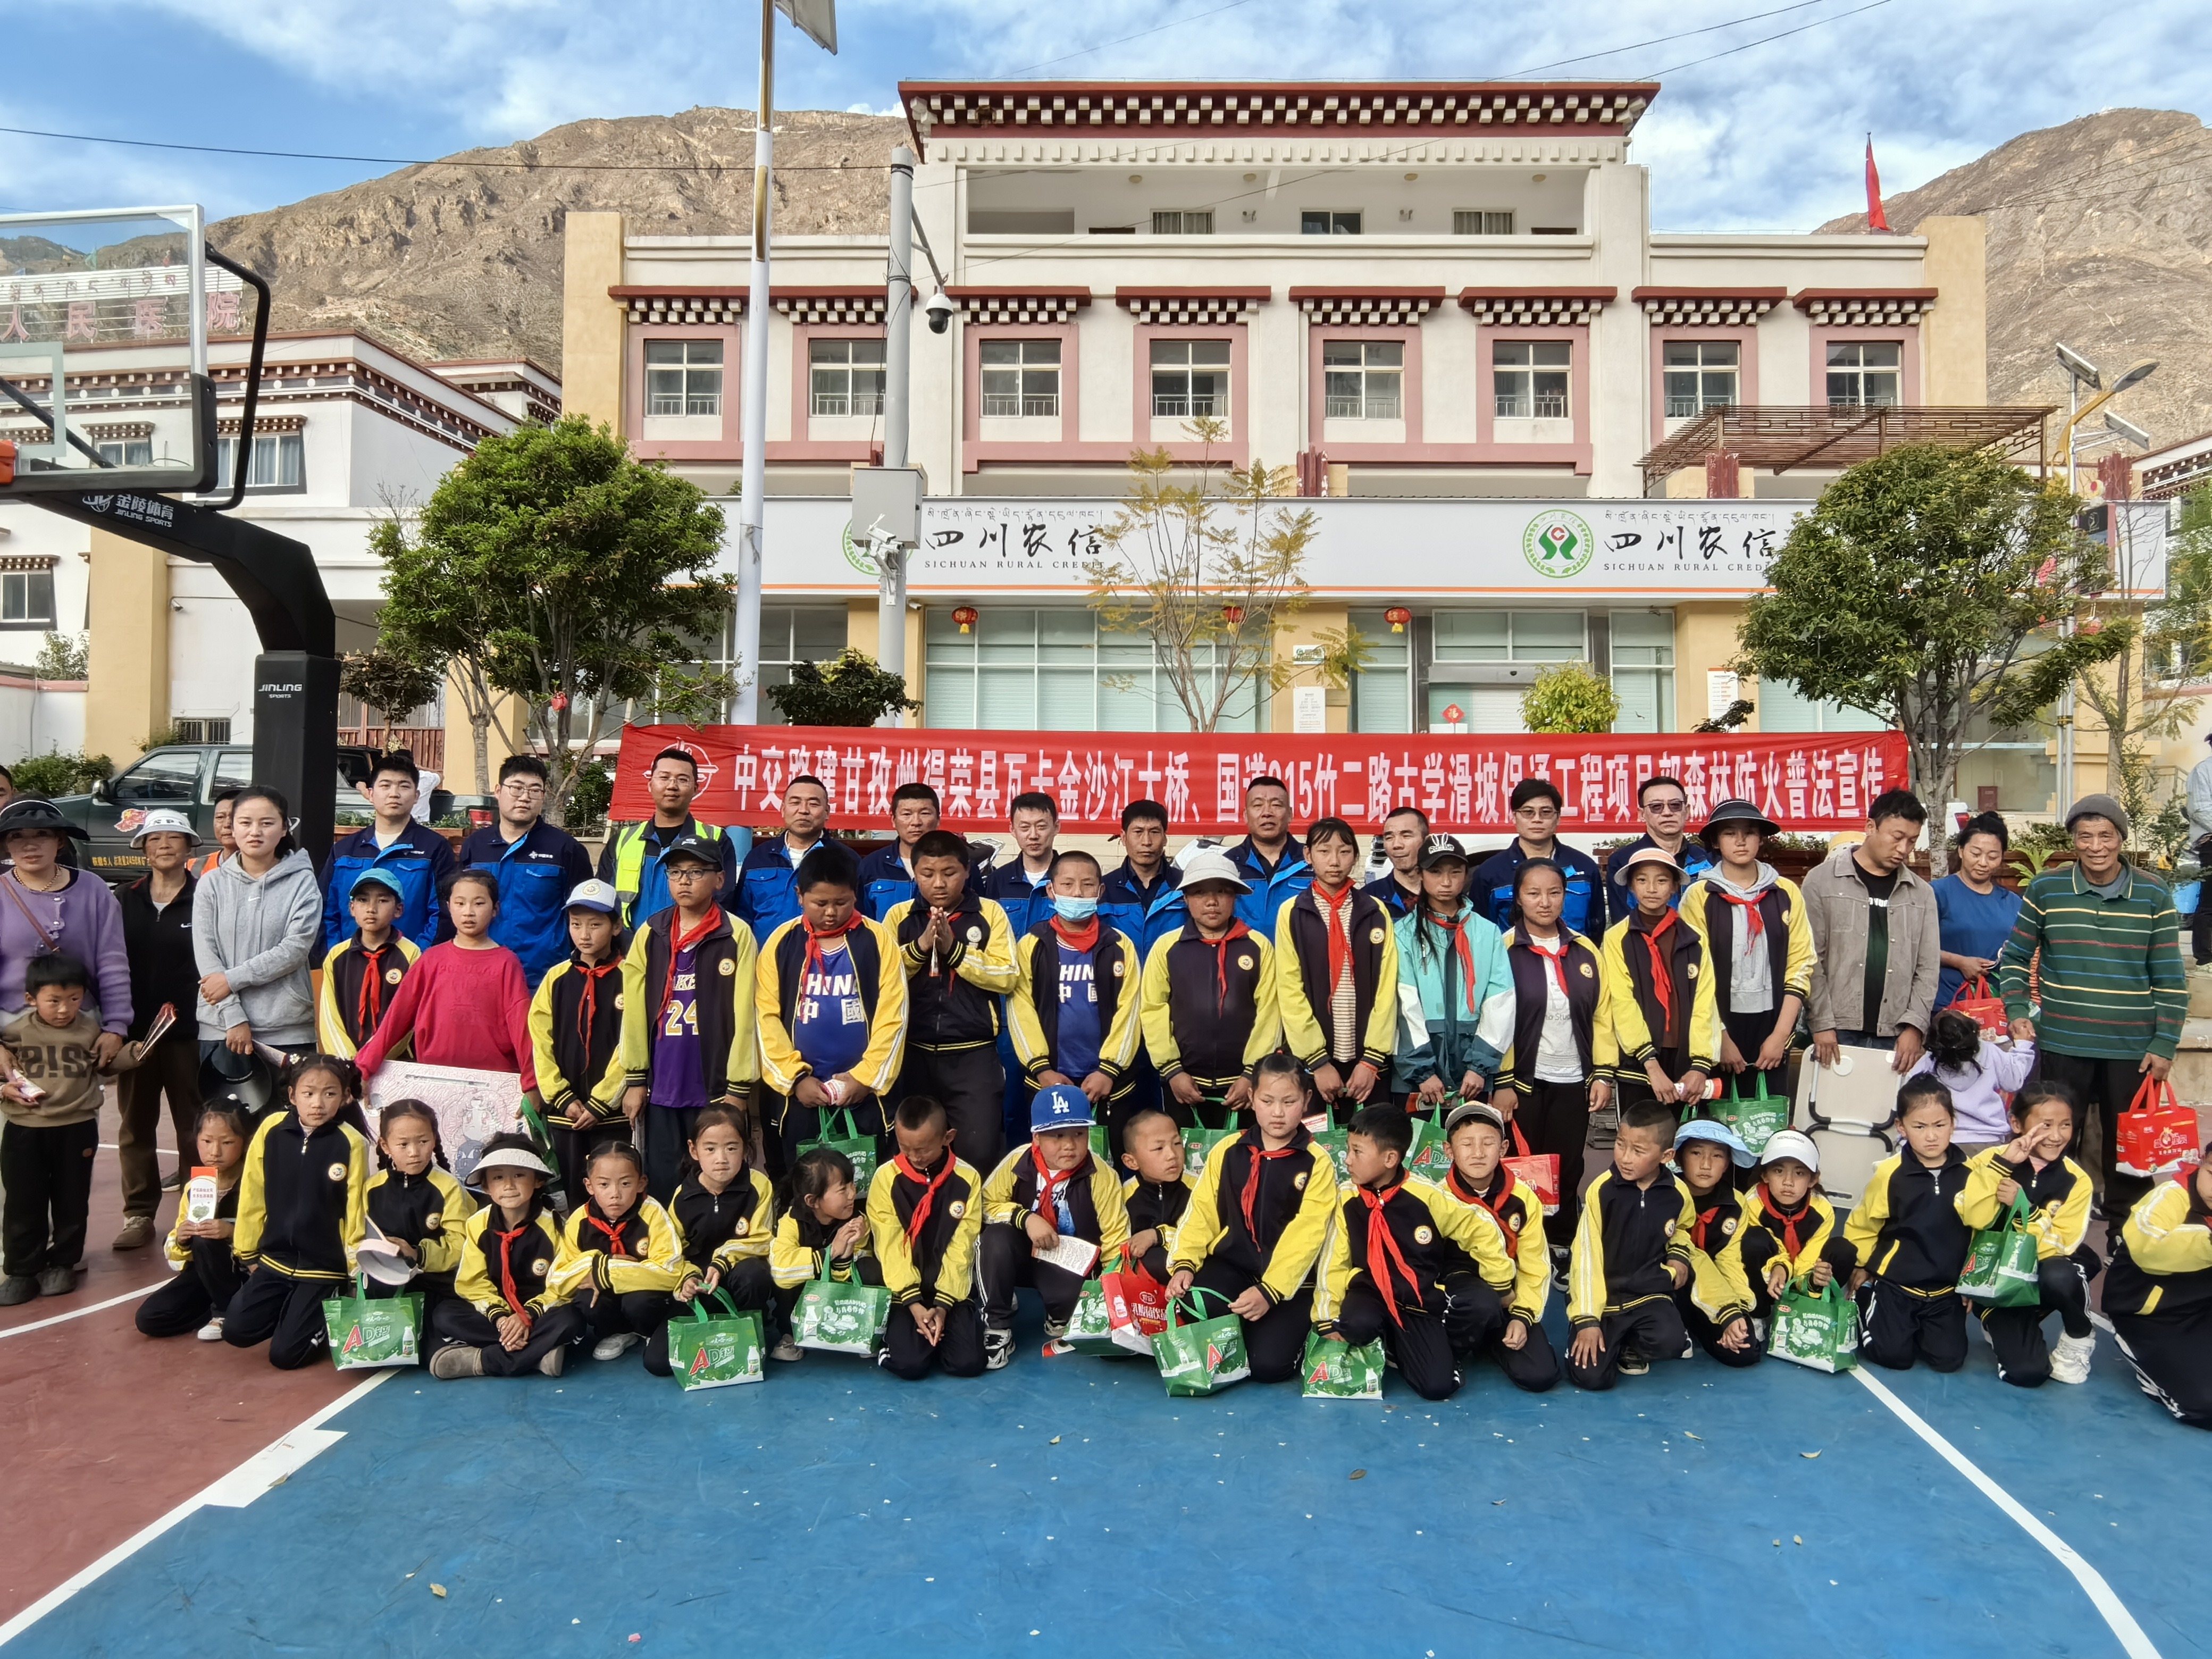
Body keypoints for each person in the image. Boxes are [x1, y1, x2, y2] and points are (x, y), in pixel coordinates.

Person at [1997, 792, 2187, 1217]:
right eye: (2085, 836)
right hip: (2063, 1042)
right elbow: (2014, 958)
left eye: (2106, 836)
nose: (2096, 846)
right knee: (2051, 1140)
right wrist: (2018, 1011)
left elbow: (2170, 977)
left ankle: (2125, 1233)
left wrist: (2165, 1043)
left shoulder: (2153, 893)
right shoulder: (2047, 888)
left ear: (2121, 838)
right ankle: (2045, 1222)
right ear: (2074, 840)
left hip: (2132, 1049)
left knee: (2129, 1149)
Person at [1309, 1102, 1513, 1402]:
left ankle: (1415, 1347)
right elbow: (1333, 1262)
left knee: (1437, 1387)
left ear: (1390, 1158)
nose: (1347, 1159)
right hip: (1370, 1292)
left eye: (1357, 1151)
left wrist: (1501, 1281)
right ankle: (1391, 1337)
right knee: (1356, 1325)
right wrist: (1326, 1315)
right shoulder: (1347, 1198)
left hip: (1416, 1300)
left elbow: (1479, 1226)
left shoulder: (1425, 1194)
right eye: (1348, 1150)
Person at [1164, 1053, 1339, 1385]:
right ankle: (1246, 1324)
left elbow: (1307, 1235)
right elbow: (1201, 1212)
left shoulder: (1317, 1162)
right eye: (1267, 1101)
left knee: (1269, 1368)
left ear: (1306, 1101)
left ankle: (1281, 1332)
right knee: (1192, 1297)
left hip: (1290, 1284)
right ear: (1252, 1098)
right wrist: (1184, 1262)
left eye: (1289, 1101)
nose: (1278, 1112)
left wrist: (1270, 1291)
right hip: (1235, 1267)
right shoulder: (1228, 1150)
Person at [615, 837, 759, 1198]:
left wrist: (738, 1088)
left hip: (714, 1087)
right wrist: (635, 1079)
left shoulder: (736, 934)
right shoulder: (651, 932)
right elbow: (634, 1012)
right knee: (664, 1180)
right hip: (663, 1084)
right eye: (675, 872)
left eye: (696, 872)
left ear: (719, 879)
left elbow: (746, 1015)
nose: (684, 881)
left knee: (718, 1181)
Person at [0, 953, 147, 1302]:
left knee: (72, 1200)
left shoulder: (90, 1031)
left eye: (74, 999)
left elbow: (104, 1067)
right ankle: (22, 1271)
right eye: (54, 1001)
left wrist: (134, 1054)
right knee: (23, 1202)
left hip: (77, 1127)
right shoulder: (14, 1033)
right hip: (25, 1128)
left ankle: (63, 1264)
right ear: (31, 999)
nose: (64, 1009)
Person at [756, 844, 906, 1177]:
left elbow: (894, 1018)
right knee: (804, 1184)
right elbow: (765, 1019)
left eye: (841, 903)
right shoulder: (781, 942)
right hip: (801, 1095)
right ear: (800, 896)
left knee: (863, 1183)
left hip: (865, 1095)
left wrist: (864, 1078)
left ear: (855, 895)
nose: (831, 913)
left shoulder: (878, 940)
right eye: (820, 903)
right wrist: (796, 1079)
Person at [1496, 857, 1613, 1261]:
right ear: (1518, 897)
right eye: (1534, 893)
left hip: (1573, 1078)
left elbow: (1602, 1016)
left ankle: (1561, 1244)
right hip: (1523, 1080)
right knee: (1522, 1165)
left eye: (1554, 893)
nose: (1544, 902)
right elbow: (1497, 1018)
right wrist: (1503, 1081)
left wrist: (1602, 1075)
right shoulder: (1504, 949)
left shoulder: (1585, 949)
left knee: (1567, 1166)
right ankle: (1518, 1245)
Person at [222, 1054, 372, 1369]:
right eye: (309, 1093)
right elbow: (253, 1194)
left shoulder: (352, 1142)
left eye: (330, 1094)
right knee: (236, 1330)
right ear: (292, 1095)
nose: (318, 1103)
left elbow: (355, 1209)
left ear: (345, 1096)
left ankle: (316, 1313)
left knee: (286, 1356)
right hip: (275, 1261)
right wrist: (247, 1252)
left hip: (323, 1269)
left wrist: (353, 1271)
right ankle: (293, 1314)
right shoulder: (271, 1129)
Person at [883, 829, 1018, 1173]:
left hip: (973, 1055)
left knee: (979, 1152)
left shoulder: (990, 913)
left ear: (967, 871)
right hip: (913, 1053)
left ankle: (974, 1209)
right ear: (915, 873)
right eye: (928, 874)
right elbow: (883, 977)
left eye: (950, 873)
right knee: (916, 1155)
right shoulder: (900, 916)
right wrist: (921, 947)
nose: (939, 883)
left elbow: (1006, 975)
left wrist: (954, 951)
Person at [978, 1083, 1131, 1368]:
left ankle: (1059, 1310)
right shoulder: (1018, 1161)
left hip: (1069, 1260)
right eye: (1057, 1136)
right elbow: (985, 1205)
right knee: (995, 1239)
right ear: (1036, 1138)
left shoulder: (1102, 1175)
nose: (1069, 1145)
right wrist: (1026, 1218)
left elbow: (1116, 1238)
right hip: (1021, 1252)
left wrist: (1108, 1296)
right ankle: (998, 1325)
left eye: (1079, 1134)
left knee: (1071, 1307)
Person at [1959, 1082, 2099, 1387]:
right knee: (2028, 1374)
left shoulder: (2077, 1181)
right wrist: (2003, 1166)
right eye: (2045, 1125)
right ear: (2016, 1124)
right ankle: (2003, 1323)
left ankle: (2079, 1336)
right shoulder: (1987, 1162)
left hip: (2040, 1270)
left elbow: (2062, 1245)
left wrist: (2026, 1211)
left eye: (2065, 1125)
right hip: (1994, 1280)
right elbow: (1973, 1218)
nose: (2057, 1136)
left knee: (2066, 1272)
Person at [1009, 848, 1143, 1154]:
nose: (1078, 893)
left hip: (1110, 1084)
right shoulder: (1032, 945)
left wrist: (1109, 1070)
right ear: (1051, 891)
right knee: (1053, 1157)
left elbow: (1131, 1012)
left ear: (1100, 891)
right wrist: (1042, 1069)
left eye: (1087, 885)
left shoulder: (1120, 945)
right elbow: (1021, 1011)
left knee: (1109, 1161)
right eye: (1068, 885)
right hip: (1050, 1079)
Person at [114, 808, 205, 1251]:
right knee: (135, 1126)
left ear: (189, 847)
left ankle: (200, 1213)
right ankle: (138, 1214)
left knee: (196, 1128)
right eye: (154, 839)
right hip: (135, 1034)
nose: (164, 845)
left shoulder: (206, 896)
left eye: (173, 837)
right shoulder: (123, 898)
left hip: (190, 1033)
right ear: (143, 850)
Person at [355, 870, 536, 1092]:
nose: (468, 912)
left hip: (494, 1082)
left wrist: (531, 1083)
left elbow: (521, 1027)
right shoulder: (431, 959)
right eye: (460, 903)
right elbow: (397, 1017)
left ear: (495, 909)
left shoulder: (507, 963)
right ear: (449, 907)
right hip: (434, 1077)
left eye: (479, 903)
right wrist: (365, 1066)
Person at [1680, 799, 1814, 1097]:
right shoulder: (1700, 896)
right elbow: (1695, 974)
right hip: (1718, 1022)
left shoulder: (1786, 892)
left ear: (1761, 838)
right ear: (1716, 841)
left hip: (1773, 1020)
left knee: (1767, 1115)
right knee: (1717, 1115)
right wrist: (1720, 1038)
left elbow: (1801, 964)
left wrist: (1780, 1036)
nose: (1740, 841)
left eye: (1749, 832)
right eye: (1730, 833)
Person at [1139, 848, 1279, 1129]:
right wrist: (1172, 1070)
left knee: (1243, 1153)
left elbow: (1270, 1013)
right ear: (1186, 898)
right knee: (1186, 1154)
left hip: (1244, 1085)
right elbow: (1153, 1010)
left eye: (1223, 892)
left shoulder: (1258, 946)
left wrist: (1252, 1073)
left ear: (1235, 897)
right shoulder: (1167, 947)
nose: (1212, 902)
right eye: (1200, 893)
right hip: (1183, 1083)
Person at [1802, 787, 1939, 1075]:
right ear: (1870, 827)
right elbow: (1811, 960)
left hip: (1897, 1034)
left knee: (1888, 1106)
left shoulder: (1921, 893)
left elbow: (1927, 967)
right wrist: (1822, 1023)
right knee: (1833, 1104)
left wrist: (1915, 1027)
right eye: (1897, 837)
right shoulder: (1822, 882)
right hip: (1836, 1031)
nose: (1903, 849)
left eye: (1912, 841)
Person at [1841, 1076, 1972, 1374]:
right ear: (1901, 1127)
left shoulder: (1971, 1173)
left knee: (1948, 1361)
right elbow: (1864, 1224)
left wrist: (1971, 1281)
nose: (1931, 1136)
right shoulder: (1889, 1174)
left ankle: (1922, 1328)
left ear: (1953, 1123)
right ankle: (1867, 1300)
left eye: (1940, 1125)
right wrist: (1862, 1265)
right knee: (1893, 1357)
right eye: (1920, 1127)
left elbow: (1980, 1229)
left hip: (1945, 1291)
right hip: (1897, 1286)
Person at [1564, 1097, 1697, 1389]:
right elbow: (1585, 1256)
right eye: (1620, 1144)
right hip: (1605, 1301)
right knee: (1592, 1378)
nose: (1625, 1158)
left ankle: (1631, 1344)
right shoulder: (1601, 1191)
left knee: (1672, 1343)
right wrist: (1587, 1319)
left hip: (1650, 1294)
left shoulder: (1677, 1192)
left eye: (1638, 1151)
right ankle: (1594, 1334)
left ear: (1667, 1156)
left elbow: (1683, 1227)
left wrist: (1678, 1255)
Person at [648, 1103, 789, 1374]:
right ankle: (715, 1328)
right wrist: (687, 1280)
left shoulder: (758, 1186)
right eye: (710, 1149)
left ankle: (753, 1327)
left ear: (746, 1149)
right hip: (701, 1287)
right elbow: (672, 1253)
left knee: (753, 1274)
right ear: (694, 1150)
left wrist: (723, 1260)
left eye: (731, 1148)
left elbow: (764, 1240)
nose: (721, 1158)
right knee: (658, 1363)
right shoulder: (682, 1197)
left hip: (739, 1280)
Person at [1432, 1099, 1563, 1391]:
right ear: (1449, 1150)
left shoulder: (1524, 1198)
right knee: (1481, 1304)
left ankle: (1490, 1337)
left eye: (1488, 1143)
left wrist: (1522, 1316)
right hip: (1460, 1296)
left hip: (1509, 1297)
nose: (1478, 1153)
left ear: (1503, 1149)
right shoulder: (1437, 1198)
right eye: (1467, 1144)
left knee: (1540, 1375)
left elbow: (1535, 1264)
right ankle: (1455, 1344)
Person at [429, 1134, 583, 1379]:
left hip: (539, 1312)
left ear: (538, 1180)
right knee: (445, 1315)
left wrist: (526, 1316)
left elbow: (562, 1285)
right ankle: (538, 1356)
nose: (509, 1185)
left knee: (571, 1320)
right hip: (496, 1313)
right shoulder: (477, 1224)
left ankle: (482, 1361)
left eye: (519, 1175)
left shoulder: (555, 1226)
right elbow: (472, 1283)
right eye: (498, 1177)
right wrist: (501, 1319)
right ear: (486, 1187)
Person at [194, 786, 323, 1068]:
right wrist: (234, 1017)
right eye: (245, 823)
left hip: (287, 1028)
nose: (255, 832)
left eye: (266, 823)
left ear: (284, 828)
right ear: (233, 828)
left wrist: (232, 979)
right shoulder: (210, 884)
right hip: (220, 1027)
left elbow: (295, 949)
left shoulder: (302, 882)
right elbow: (207, 956)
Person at [1276, 817, 1398, 1112]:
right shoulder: (1292, 912)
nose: (1334, 861)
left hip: (1368, 1062)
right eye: (1324, 851)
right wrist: (1317, 1061)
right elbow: (1290, 990)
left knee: (1371, 1135)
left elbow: (1387, 988)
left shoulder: (1375, 911)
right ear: (1308, 855)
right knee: (1316, 1137)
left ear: (1355, 856)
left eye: (1344, 852)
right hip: (1314, 1064)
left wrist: (1372, 1059)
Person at [0, 798, 131, 1062]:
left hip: (79, 1029)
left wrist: (116, 1026)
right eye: (17, 836)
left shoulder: (93, 889)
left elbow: (112, 962)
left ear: (59, 841)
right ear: (6, 844)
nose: (29, 845)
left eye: (42, 834)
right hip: (13, 1032)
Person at [868, 1093, 988, 1380]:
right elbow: (890, 1245)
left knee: (968, 1363)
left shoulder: (967, 1179)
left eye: (922, 1150)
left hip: (951, 1290)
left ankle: (936, 1333)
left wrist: (943, 1306)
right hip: (903, 1292)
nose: (913, 1157)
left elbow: (963, 1246)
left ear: (948, 1138)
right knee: (910, 1366)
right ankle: (891, 1343)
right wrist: (913, 1303)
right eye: (904, 1147)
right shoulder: (885, 1179)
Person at [1393, 834, 1513, 1108]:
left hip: (1473, 1074)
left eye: (1455, 872)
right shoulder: (1403, 934)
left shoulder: (1487, 933)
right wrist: (1422, 1071)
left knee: (1471, 1136)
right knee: (1418, 1138)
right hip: (1417, 1077)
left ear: (1465, 875)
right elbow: (1403, 1003)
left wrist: (1479, 1066)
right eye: (1436, 872)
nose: (1446, 882)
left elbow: (1500, 1000)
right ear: (1420, 874)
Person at [452, 755, 593, 988]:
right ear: (498, 791)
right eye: (517, 788)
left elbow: (584, 913)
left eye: (534, 790)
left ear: (543, 796)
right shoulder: (476, 846)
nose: (525, 797)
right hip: (479, 971)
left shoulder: (566, 849)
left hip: (544, 977)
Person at [529, 879, 629, 1209]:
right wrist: (560, 1096)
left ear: (616, 927)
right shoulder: (556, 978)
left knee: (615, 1191)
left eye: (595, 925)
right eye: (576, 924)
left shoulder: (631, 977)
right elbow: (540, 1040)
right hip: (566, 1113)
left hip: (612, 1115)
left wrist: (603, 1101)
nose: (584, 934)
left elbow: (632, 1044)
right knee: (573, 1193)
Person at [1601, 848, 1717, 1115]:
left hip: (1687, 1061)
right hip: (1638, 1063)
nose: (1652, 889)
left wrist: (1700, 1065)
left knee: (1687, 1136)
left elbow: (1705, 1003)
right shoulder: (1617, 938)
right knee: (1639, 1136)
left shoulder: (1695, 938)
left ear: (1675, 886)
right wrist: (1650, 1064)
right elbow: (1622, 1001)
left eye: (1662, 880)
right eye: (1642, 880)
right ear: (1631, 886)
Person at [549, 1140, 685, 1364]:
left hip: (645, 1297)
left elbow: (671, 1271)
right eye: (604, 1185)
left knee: (639, 1302)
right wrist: (602, 1264)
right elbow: (558, 1278)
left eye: (625, 1183)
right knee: (586, 1299)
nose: (615, 1194)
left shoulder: (653, 1213)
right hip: (608, 1299)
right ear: (589, 1186)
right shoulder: (579, 1221)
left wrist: (607, 1274)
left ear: (641, 1183)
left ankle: (648, 1330)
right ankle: (618, 1331)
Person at [2106, 1149, 2212, 1428]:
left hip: (2204, 1309)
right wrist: (2209, 1241)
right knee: (2205, 1406)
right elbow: (2149, 1249)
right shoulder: (2170, 1197)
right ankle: (2138, 1352)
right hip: (2152, 1317)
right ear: (2201, 1163)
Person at [136, 1097, 254, 1340]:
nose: (215, 1152)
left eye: (227, 1142)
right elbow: (178, 1259)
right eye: (207, 1141)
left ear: (245, 1142)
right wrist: (181, 1239)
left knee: (206, 1241)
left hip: (249, 1272)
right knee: (150, 1318)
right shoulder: (195, 1187)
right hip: (208, 1275)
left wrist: (232, 1232)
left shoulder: (256, 1182)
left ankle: (226, 1312)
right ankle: (222, 1309)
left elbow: (274, 1234)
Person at [319, 751, 457, 956]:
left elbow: (443, 915)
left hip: (413, 968)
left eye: (404, 786)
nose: (394, 793)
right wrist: (339, 958)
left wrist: (414, 961)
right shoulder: (344, 850)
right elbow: (326, 911)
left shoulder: (434, 848)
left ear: (416, 796)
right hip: (349, 965)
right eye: (385, 786)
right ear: (371, 794)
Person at [599, 746, 745, 931]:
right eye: (664, 777)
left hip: (692, 944)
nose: (672, 786)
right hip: (629, 945)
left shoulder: (715, 840)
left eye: (682, 779)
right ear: (650, 785)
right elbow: (603, 900)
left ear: (696, 789)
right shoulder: (622, 841)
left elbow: (723, 900)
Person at [1720, 1128, 1849, 1329]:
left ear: (1813, 1179)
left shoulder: (1823, 1209)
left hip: (1804, 1276)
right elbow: (1757, 1249)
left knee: (1844, 1250)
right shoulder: (1752, 1203)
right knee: (1753, 1240)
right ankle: (1758, 1312)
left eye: (1799, 1173)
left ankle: (1812, 1308)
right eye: (1779, 1171)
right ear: (1765, 1175)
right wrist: (1780, 1267)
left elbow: (1810, 1257)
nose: (1788, 1182)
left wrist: (1811, 1280)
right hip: (1768, 1273)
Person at [1669, 1118, 1761, 1369]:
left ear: (1728, 1163)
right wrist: (1726, 1310)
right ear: (1679, 1158)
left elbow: (1729, 1261)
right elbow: (1689, 1257)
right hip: (1669, 1288)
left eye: (1717, 1155)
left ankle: (1698, 1326)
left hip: (1715, 1292)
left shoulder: (1736, 1203)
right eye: (1696, 1153)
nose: (1706, 1164)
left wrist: (1738, 1309)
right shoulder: (1665, 1195)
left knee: (1745, 1351)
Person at [364, 1099, 473, 1306]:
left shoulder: (448, 1187)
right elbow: (359, 1235)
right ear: (386, 1146)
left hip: (438, 1284)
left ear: (434, 1140)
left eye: (423, 1142)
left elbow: (461, 1245)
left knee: (444, 1318)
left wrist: (417, 1253)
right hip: (385, 1281)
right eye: (403, 1144)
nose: (414, 1152)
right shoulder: (371, 1188)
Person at [1474, 777, 1607, 939]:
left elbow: (1596, 927)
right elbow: (1481, 932)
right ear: (1514, 817)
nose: (1537, 819)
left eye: (1546, 812)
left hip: (1575, 953)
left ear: (1558, 817)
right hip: (1511, 955)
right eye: (1528, 812)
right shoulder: (1490, 872)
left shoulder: (1584, 866)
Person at [769, 1146, 882, 1331]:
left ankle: (857, 1329)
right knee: (790, 1279)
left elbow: (853, 1274)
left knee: (869, 1268)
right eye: (843, 1189)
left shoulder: (857, 1222)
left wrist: (846, 1254)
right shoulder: (792, 1222)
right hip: (803, 1303)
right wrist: (830, 1252)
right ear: (812, 1201)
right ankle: (790, 1334)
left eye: (852, 1184)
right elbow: (781, 1272)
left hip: (839, 1305)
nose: (852, 1194)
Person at [314, 869, 421, 1060]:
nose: (371, 908)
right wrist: (349, 1062)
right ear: (352, 908)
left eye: (382, 900)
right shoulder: (337, 956)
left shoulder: (412, 955)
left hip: (395, 1062)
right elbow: (330, 1017)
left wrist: (372, 1058)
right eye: (363, 900)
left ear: (399, 909)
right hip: (346, 1065)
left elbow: (407, 1018)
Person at [1904, 1008, 2034, 1158]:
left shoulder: (1926, 1063)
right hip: (1989, 1142)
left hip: (1941, 1143)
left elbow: (1906, 1102)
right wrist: (2024, 1045)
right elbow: (2014, 1080)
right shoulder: (1988, 1051)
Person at [1934, 812, 2023, 1013]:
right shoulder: (1937, 893)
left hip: (1997, 1009)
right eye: (1976, 854)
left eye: (1992, 857)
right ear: (1961, 851)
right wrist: (1960, 962)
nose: (1983, 863)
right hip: (1947, 1007)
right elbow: (1916, 948)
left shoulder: (2012, 902)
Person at [734, 773, 832, 941]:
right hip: (765, 956)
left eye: (813, 804)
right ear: (783, 809)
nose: (803, 810)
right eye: (795, 803)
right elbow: (742, 919)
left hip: (824, 957)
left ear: (827, 812)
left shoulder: (843, 860)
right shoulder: (758, 859)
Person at [1603, 774, 1714, 904]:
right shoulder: (1622, 861)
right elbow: (1622, 915)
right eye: (1656, 807)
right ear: (1642, 814)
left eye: (1675, 805)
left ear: (1687, 811)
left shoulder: (1706, 860)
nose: (1667, 813)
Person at [1225, 776, 1311, 935]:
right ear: (1245, 815)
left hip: (1299, 951)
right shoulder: (1227, 865)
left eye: (1276, 805)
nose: (1267, 813)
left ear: (1290, 814)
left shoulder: (1311, 861)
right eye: (1258, 805)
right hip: (1245, 951)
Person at [1101, 798, 1184, 958]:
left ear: (1165, 838)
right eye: (1138, 832)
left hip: (1174, 973)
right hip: (1121, 974)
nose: (1146, 842)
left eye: (1154, 832)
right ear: (1123, 837)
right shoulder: (1104, 889)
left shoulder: (1185, 886)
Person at [1119, 1107, 1192, 1284]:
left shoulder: (1199, 1187)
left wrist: (1158, 1236)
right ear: (1131, 1162)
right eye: (1159, 1148)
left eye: (1177, 1143)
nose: (1172, 1155)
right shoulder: (1124, 1195)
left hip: (1191, 1271)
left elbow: (1203, 1237)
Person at [857, 782, 945, 921]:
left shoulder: (958, 864)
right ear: (893, 820)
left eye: (925, 813)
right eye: (907, 814)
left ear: (938, 819)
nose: (916, 822)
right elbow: (861, 920)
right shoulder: (872, 866)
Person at [980, 791, 1061, 937]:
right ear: (1012, 830)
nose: (1033, 835)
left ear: (1056, 827)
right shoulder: (998, 880)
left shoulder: (1070, 879)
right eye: (1025, 827)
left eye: (1041, 827)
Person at [1363, 805, 1429, 920]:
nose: (1397, 845)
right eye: (1389, 838)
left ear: (1426, 841)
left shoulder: (1447, 894)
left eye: (1406, 836)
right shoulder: (1369, 898)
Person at [2189, 733, 2212, 966]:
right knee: (2210, 902)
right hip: (2211, 842)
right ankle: (2205, 958)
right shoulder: (2204, 771)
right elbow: (2199, 809)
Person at [189, 787, 239, 877]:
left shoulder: (264, 869)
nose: (227, 824)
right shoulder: (195, 866)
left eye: (235, 817)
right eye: (220, 817)